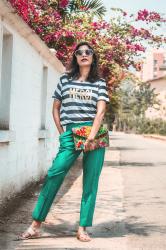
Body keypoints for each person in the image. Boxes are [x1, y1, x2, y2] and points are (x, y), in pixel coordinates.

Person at [19, 41, 109, 242]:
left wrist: (92, 136)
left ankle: (83, 228)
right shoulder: (65, 80)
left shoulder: (99, 82)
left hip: (95, 133)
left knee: (90, 181)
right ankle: (36, 225)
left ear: (93, 57)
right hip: (71, 131)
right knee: (54, 174)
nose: (84, 54)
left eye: (88, 52)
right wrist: (62, 133)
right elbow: (55, 108)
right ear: (75, 57)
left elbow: (101, 111)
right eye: (79, 52)